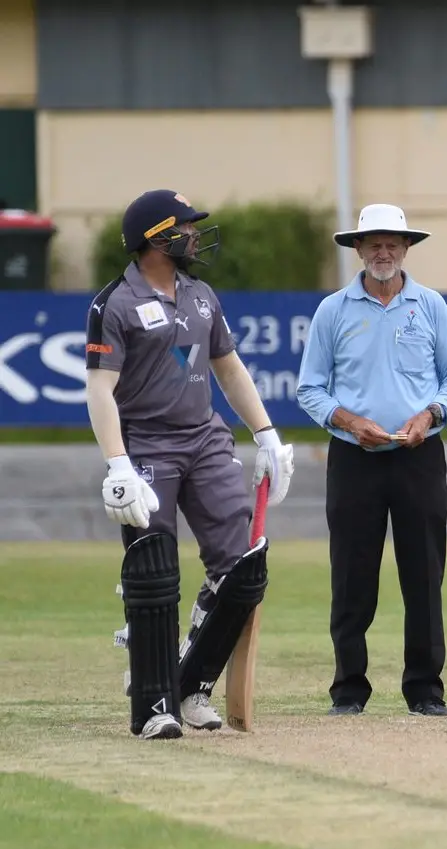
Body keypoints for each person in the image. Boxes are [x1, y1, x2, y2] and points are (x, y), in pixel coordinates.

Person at [88, 188, 295, 740]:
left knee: (243, 566)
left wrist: (267, 433)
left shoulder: (202, 296)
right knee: (153, 572)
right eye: (186, 227)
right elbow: (100, 391)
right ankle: (155, 703)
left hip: (205, 441)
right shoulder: (115, 304)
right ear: (156, 238)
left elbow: (228, 369)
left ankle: (192, 684)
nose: (196, 235)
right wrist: (117, 465)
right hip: (147, 446)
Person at [296, 203, 447, 718]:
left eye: (393, 242)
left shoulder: (431, 306)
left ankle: (424, 690)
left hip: (419, 455)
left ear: (407, 247)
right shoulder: (333, 310)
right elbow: (310, 389)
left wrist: (430, 414)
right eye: (373, 242)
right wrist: (351, 423)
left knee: (423, 576)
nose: (383, 251)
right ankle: (348, 689)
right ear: (357, 248)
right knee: (351, 578)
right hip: (354, 458)